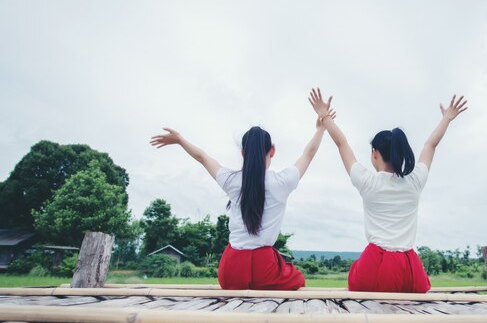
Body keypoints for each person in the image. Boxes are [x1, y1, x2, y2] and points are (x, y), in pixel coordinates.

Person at [149, 104, 335, 290]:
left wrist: (181, 140)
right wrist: (320, 129)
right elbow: (308, 154)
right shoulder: (282, 182)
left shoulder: (231, 180)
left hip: (230, 270)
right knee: (298, 279)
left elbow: (202, 157)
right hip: (264, 269)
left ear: (243, 153)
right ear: (273, 151)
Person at [308, 88, 467, 293]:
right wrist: (447, 118)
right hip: (410, 269)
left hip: (376, 265)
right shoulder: (414, 181)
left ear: (374, 153)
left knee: (355, 277)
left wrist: (324, 115)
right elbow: (430, 145)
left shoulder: (368, 182)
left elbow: (341, 143)